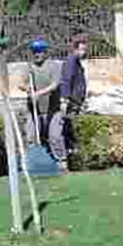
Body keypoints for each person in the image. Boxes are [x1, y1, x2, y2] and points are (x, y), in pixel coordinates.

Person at [49, 36, 89, 173]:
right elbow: (66, 81)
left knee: (69, 131)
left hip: (75, 103)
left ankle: (71, 159)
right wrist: (64, 100)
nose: (85, 52)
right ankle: (63, 162)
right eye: (82, 49)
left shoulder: (77, 62)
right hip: (69, 103)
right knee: (60, 132)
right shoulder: (70, 61)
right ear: (75, 49)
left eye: (85, 49)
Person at [19, 39, 61, 145]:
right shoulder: (29, 67)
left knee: (54, 138)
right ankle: (32, 160)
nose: (37, 54)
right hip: (33, 110)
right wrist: (27, 88)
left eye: (40, 51)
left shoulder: (53, 66)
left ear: (45, 52)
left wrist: (38, 93)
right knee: (31, 138)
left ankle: (61, 160)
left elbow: (54, 85)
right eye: (34, 51)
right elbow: (20, 83)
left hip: (52, 109)